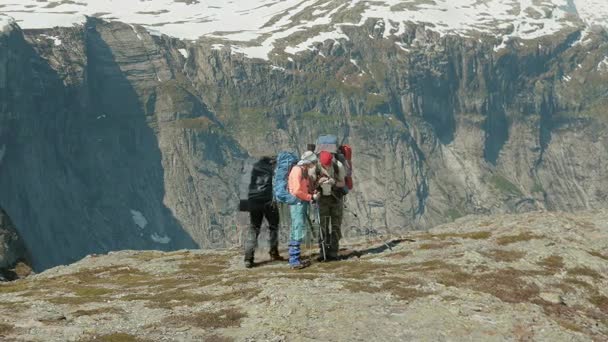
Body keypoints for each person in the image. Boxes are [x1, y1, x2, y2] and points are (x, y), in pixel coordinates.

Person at [244, 156, 283, 268]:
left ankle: (248, 258)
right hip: (268, 203)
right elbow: (277, 188)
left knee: (254, 228)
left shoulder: (253, 172)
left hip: (254, 203)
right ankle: (273, 252)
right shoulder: (272, 172)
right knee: (273, 226)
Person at [287, 151, 319, 269]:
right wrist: (311, 197)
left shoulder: (302, 170)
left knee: (298, 228)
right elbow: (296, 191)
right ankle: (294, 260)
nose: (314, 164)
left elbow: (302, 188)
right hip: (297, 204)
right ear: (308, 162)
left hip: (301, 203)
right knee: (298, 229)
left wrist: (311, 192)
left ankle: (295, 258)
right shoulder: (297, 170)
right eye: (313, 162)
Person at [316, 151, 346, 261]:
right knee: (322, 226)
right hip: (322, 199)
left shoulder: (338, 166)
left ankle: (333, 252)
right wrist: (318, 182)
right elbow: (311, 184)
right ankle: (323, 251)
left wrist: (334, 183)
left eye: (328, 164)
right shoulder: (316, 167)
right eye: (325, 165)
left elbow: (343, 183)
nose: (327, 167)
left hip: (336, 198)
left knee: (336, 224)